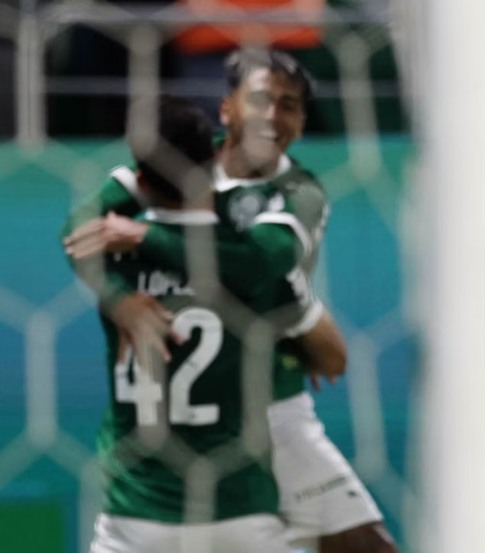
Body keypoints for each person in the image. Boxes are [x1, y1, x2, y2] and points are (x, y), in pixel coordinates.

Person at [63, 48, 397, 553]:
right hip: (188, 421)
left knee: (364, 545)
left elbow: (259, 267)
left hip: (273, 406)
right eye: (261, 99)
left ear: (303, 123)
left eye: (289, 105)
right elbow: (79, 231)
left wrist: (142, 238)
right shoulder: (184, 158)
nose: (273, 115)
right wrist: (119, 302)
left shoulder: (299, 192)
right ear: (227, 108)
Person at [87, 95, 334, 553]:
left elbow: (79, 232)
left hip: (136, 518)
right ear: (212, 168)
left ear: (140, 180)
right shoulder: (250, 266)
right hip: (239, 510)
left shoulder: (111, 263)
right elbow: (331, 357)